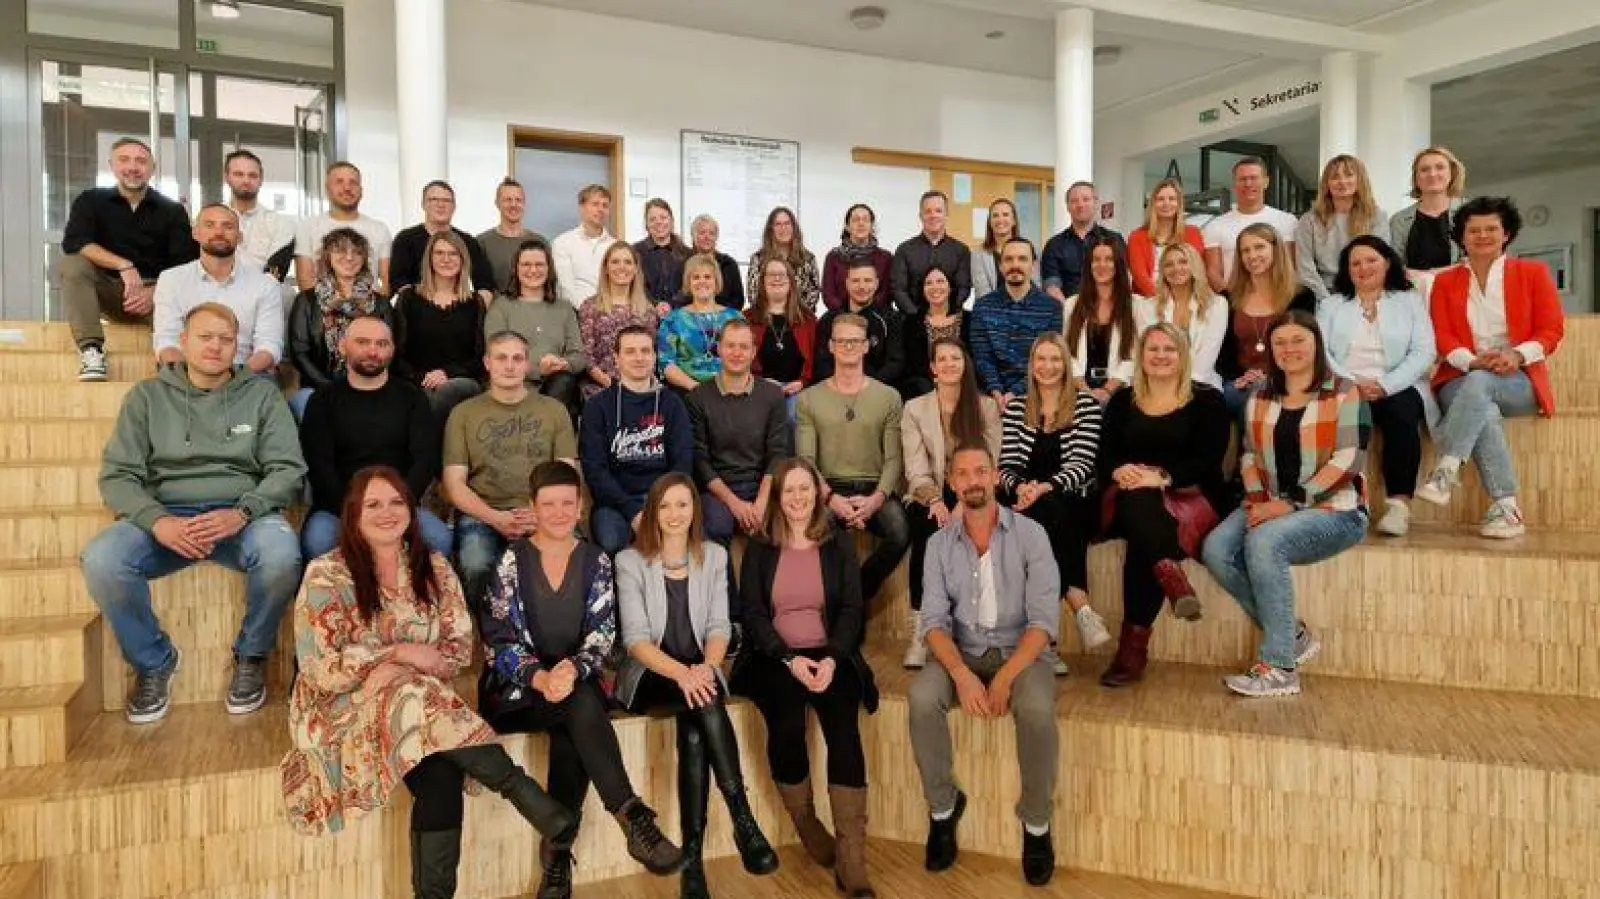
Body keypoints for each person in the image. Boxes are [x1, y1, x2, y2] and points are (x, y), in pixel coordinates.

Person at [280, 466, 577, 897]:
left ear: (411, 510)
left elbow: (458, 650)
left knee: (439, 772)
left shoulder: (432, 567)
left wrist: (398, 672)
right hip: (340, 707)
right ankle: (521, 792)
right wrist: (398, 654)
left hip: (421, 711)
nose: (387, 512)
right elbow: (319, 668)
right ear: (353, 514)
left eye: (397, 502)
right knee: (413, 691)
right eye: (373, 504)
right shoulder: (327, 574)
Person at [83, 303, 304, 723]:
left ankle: (251, 654)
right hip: (167, 517)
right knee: (102, 559)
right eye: (205, 337)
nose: (216, 347)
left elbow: (287, 470)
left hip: (242, 518)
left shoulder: (261, 395)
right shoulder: (147, 397)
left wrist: (243, 512)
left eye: (226, 339)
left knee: (280, 554)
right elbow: (118, 477)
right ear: (182, 341)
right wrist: (157, 520)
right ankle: (154, 661)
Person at [476, 461, 684, 897]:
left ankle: (558, 855)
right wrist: (539, 676)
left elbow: (603, 634)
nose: (558, 512)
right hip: (519, 693)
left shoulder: (595, 560)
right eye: (548, 504)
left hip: (572, 684)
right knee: (581, 709)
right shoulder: (511, 561)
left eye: (567, 503)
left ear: (581, 505)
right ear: (532, 507)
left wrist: (572, 669)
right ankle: (632, 816)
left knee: (577, 714)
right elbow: (497, 641)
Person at [615, 475, 781, 898]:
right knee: (703, 703)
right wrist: (685, 675)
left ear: (695, 511)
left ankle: (692, 860)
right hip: (652, 675)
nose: (674, 514)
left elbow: (719, 626)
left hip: (700, 671)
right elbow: (635, 642)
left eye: (683, 505)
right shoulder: (630, 562)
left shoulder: (714, 556)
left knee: (694, 727)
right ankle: (742, 819)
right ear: (653, 512)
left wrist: (706, 668)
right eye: (666, 506)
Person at [909, 444, 1061, 886]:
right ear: (952, 483)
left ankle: (1036, 824)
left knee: (1034, 710)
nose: (973, 480)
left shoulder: (1031, 535)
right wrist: (961, 675)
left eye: (980, 471)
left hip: (1022, 650)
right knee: (920, 698)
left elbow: (1043, 623)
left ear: (994, 476)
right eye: (962, 474)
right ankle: (942, 808)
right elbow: (933, 623)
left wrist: (1005, 680)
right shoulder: (938, 544)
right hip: (963, 648)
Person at [1202, 310, 1369, 697]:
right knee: (1216, 549)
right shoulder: (1260, 395)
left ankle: (1280, 667)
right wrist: (1261, 501)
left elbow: (1348, 461)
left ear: (1316, 344)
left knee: (1263, 542)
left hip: (1336, 509)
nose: (1289, 349)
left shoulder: (1344, 391)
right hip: (1270, 501)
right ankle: (1292, 635)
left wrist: (1290, 504)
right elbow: (1248, 455)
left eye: (1298, 340)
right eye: (1280, 342)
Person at [733, 458, 879, 898]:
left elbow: (852, 610)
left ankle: (852, 859)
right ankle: (807, 824)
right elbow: (753, 613)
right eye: (788, 491)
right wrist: (788, 659)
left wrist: (833, 658)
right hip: (773, 657)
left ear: (817, 494)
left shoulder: (837, 545)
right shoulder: (760, 546)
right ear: (777, 498)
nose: (797, 498)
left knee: (843, 730)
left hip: (830, 654)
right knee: (788, 722)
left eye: (804, 490)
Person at [1417, 196, 1565, 539]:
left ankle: (1447, 466)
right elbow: (1441, 334)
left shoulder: (1532, 273)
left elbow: (1551, 328)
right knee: (1482, 402)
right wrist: (1471, 360)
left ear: (1506, 233)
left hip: (1519, 380)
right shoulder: (1445, 282)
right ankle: (1506, 506)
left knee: (1481, 387)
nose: (1482, 236)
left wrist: (1518, 355)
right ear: (1462, 237)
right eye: (1473, 230)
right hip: (1462, 376)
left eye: (1491, 229)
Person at [1096, 324, 1229, 687]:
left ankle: (1131, 651)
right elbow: (1105, 454)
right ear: (1141, 356)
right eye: (1152, 349)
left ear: (1183, 355)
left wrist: (1163, 476)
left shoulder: (1207, 401)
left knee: (1144, 542)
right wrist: (1120, 469)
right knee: (1139, 503)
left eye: (1169, 349)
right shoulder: (1123, 400)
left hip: (1185, 496)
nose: (1160, 356)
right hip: (1128, 495)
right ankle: (1170, 576)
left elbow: (1208, 459)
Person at [999, 333, 1111, 665]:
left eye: (1055, 360)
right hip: (1028, 502)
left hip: (1075, 500)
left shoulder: (1086, 404)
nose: (1047, 367)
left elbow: (1082, 464)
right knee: (1037, 519)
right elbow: (1006, 466)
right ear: (1031, 365)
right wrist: (1021, 487)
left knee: (1046, 514)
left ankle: (1043, 642)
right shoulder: (1018, 407)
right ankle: (1079, 605)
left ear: (1065, 365)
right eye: (1041, 359)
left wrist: (1041, 488)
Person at [443, 331, 577, 606]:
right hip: (482, 512)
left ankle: (549, 634)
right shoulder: (464, 413)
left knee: (569, 559)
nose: (509, 365)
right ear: (487, 363)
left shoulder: (553, 410)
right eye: (501, 357)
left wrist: (541, 514)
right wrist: (495, 518)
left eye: (517, 358)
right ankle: (483, 636)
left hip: (543, 511)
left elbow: (565, 476)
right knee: (476, 564)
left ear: (528, 365)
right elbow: (454, 484)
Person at [299, 316, 449, 560]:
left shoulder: (411, 398)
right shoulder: (322, 401)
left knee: (439, 539)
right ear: (342, 346)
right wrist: (356, 511)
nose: (372, 351)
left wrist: (395, 508)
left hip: (399, 504)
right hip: (339, 509)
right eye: (363, 342)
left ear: (392, 350)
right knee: (319, 542)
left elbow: (424, 460)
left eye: (381, 344)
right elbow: (319, 466)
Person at [1319, 235, 1435, 537]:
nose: (1363, 267)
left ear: (1387, 263)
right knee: (1341, 414)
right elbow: (1321, 352)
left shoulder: (1409, 301)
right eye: (1355, 263)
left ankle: (1398, 505)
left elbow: (1424, 351)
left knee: (1401, 413)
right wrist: (1352, 382)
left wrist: (1385, 385)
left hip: (1396, 383)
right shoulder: (1331, 305)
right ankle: (1344, 492)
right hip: (1345, 382)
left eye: (1371, 260)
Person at [900, 339, 1002, 669]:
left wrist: (962, 501)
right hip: (929, 490)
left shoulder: (984, 407)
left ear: (964, 363)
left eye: (955, 358)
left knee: (977, 527)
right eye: (941, 359)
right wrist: (934, 500)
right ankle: (922, 629)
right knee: (924, 530)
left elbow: (990, 463)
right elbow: (915, 469)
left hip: (974, 489)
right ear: (932, 368)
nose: (948, 364)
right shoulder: (915, 409)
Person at [61, 137, 197, 381]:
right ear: (112, 165)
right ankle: (92, 350)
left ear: (152, 169)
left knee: (186, 301)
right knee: (73, 263)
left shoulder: (173, 211)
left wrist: (154, 291)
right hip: (110, 292)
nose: (133, 167)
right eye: (124, 160)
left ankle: (172, 374)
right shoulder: (91, 200)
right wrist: (123, 264)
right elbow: (75, 242)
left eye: (141, 161)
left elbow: (185, 264)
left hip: (157, 297)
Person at [797, 314, 910, 608]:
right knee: (818, 538)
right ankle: (842, 607)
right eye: (842, 341)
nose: (848, 346)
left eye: (855, 341)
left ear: (866, 346)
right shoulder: (809, 400)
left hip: (875, 487)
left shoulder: (889, 397)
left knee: (900, 532)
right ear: (831, 346)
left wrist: (876, 499)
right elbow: (806, 460)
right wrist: (831, 498)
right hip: (828, 489)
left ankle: (857, 594)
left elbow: (894, 458)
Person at [580, 326, 694, 555]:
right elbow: (595, 471)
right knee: (611, 541)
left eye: (645, 351)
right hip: (615, 501)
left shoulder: (672, 403)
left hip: (665, 498)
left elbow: (682, 463)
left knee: (694, 537)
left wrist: (661, 508)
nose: (639, 358)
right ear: (616, 358)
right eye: (630, 351)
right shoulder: (597, 406)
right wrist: (632, 511)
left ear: (654, 356)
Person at [687, 319, 792, 548]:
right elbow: (700, 461)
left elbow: (777, 453)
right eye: (730, 345)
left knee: (775, 522)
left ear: (754, 352)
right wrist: (734, 503)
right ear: (718, 349)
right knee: (717, 525)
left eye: (744, 347)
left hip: (762, 484)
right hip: (716, 489)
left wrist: (761, 502)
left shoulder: (773, 395)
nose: (736, 353)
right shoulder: (697, 397)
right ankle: (726, 586)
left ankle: (764, 584)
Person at [151, 203, 283, 376]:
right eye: (209, 225)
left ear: (240, 237)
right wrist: (194, 379)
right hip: (186, 376)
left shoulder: (265, 284)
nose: (219, 232)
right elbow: (167, 341)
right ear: (195, 233)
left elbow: (269, 346)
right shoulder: (171, 280)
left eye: (228, 226)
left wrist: (235, 377)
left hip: (245, 375)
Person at [287, 227, 394, 419]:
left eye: (357, 252)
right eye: (341, 250)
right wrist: (331, 388)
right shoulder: (306, 301)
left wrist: (362, 385)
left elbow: (390, 349)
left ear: (364, 259)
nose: (349, 257)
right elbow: (299, 352)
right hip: (318, 386)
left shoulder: (380, 303)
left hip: (371, 385)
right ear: (327, 256)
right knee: (308, 408)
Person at [1215, 223, 1317, 413]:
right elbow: (1223, 353)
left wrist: (1271, 377)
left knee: (1263, 395)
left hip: (1288, 377)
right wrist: (1243, 377)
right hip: (1240, 380)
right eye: (1245, 250)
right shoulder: (1227, 298)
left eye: (1259, 247)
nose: (1252, 256)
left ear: (1276, 249)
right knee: (1233, 396)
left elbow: (1305, 348)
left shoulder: (1301, 297)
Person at [391, 230, 487, 431]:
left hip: (462, 382)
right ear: (429, 258)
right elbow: (397, 353)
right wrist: (422, 377)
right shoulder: (408, 298)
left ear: (463, 260)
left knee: (445, 392)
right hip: (416, 380)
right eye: (439, 253)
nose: (446, 259)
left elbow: (480, 357)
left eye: (453, 254)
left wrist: (446, 374)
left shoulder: (474, 303)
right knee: (423, 396)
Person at [483, 240, 587, 424]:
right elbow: (496, 356)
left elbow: (578, 356)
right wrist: (539, 369)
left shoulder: (563, 308)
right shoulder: (501, 307)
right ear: (516, 269)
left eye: (539, 264)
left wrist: (561, 363)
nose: (533, 270)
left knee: (563, 381)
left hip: (557, 388)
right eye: (526, 264)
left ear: (549, 269)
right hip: (513, 387)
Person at [970, 237, 1061, 408]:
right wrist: (996, 392)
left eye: (1022, 259)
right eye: (1009, 259)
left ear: (1034, 266)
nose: (1015, 265)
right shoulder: (982, 307)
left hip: (1039, 391)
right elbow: (983, 358)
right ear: (1000, 265)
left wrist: (1016, 393)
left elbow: (1049, 360)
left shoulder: (1052, 308)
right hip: (991, 396)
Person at [1295, 155, 1388, 306]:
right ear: (1327, 184)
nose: (1342, 182)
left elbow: (1378, 262)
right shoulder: (1309, 220)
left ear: (1360, 180)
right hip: (1322, 295)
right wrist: (1328, 301)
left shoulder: (1376, 217)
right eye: (1335, 177)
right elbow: (1305, 268)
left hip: (1365, 294)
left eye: (1349, 175)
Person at [1134, 243, 1228, 389]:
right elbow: (1149, 354)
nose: (1176, 269)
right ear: (1163, 271)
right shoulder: (1147, 307)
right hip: (1156, 383)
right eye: (1169, 264)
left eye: (1183, 262)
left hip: (1200, 384)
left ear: (1195, 266)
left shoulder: (1217, 305)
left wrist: (1180, 389)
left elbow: (1206, 357)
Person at [294, 161, 393, 293]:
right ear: (327, 189)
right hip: (320, 310)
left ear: (361, 191)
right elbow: (305, 281)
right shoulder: (307, 227)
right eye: (339, 182)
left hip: (369, 309)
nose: (347, 188)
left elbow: (388, 281)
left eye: (353, 182)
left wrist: (378, 310)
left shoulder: (380, 229)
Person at [1202, 157, 1299, 292]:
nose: (1248, 184)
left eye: (1254, 178)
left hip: (1278, 300)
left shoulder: (1287, 221)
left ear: (1266, 182)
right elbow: (1213, 272)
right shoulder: (1215, 226)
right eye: (1242, 179)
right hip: (1234, 301)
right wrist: (1232, 301)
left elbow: (1291, 267)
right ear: (1234, 184)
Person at [388, 181, 496, 300]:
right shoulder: (405, 239)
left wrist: (476, 309)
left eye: (446, 200)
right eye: (434, 199)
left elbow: (485, 283)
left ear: (454, 206)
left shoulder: (467, 241)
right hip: (417, 309)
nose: (440, 205)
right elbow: (399, 281)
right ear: (423, 204)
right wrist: (418, 306)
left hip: (458, 309)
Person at [578, 241, 660, 398]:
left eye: (628, 262)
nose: (622, 267)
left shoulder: (647, 310)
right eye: (615, 262)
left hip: (641, 384)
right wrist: (609, 382)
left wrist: (638, 384)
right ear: (606, 268)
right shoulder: (590, 307)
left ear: (635, 269)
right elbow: (586, 355)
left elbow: (651, 353)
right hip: (602, 385)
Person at [1062, 235, 1138, 402]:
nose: (1102, 265)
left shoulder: (1137, 306)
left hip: (1121, 392)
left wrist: (1107, 390)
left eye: (1109, 259)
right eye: (1096, 260)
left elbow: (1134, 355)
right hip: (1079, 392)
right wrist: (1084, 389)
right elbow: (1067, 352)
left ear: (1118, 264)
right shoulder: (1071, 305)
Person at [657, 255, 745, 391]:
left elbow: (745, 356)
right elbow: (665, 362)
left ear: (716, 281)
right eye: (696, 277)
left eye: (707, 277)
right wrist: (695, 387)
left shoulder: (735, 317)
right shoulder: (673, 320)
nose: (702, 281)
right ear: (688, 282)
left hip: (730, 391)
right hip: (687, 392)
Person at [813, 259, 904, 387]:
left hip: (875, 390)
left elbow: (895, 363)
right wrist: (840, 386)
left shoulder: (891, 319)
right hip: (836, 391)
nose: (862, 286)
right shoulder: (828, 320)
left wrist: (867, 387)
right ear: (847, 283)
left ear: (876, 283)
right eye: (855, 281)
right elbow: (821, 364)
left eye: (867, 280)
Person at [745, 256, 817, 414]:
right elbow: (741, 358)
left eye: (782, 274)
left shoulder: (808, 320)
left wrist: (802, 382)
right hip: (758, 387)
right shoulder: (747, 318)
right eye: (771, 274)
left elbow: (816, 359)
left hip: (798, 388)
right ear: (762, 282)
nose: (776, 278)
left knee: (792, 419)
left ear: (791, 281)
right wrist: (759, 382)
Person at [1390, 147, 1467, 283]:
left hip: (1458, 292)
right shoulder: (1399, 220)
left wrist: (1432, 275)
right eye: (1424, 169)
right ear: (1416, 177)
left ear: (1452, 173)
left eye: (1440, 167)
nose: (1432, 174)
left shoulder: (1468, 213)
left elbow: (1475, 260)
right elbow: (1393, 265)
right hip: (1413, 295)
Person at [1042, 181, 1125, 304]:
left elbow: (1123, 278)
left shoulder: (1114, 240)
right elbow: (1052, 286)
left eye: (1086, 199)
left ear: (1096, 203)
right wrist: (1071, 312)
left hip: (1110, 310)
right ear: (1068, 206)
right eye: (1074, 201)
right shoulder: (1054, 245)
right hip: (1068, 312)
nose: (1080, 205)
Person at [890, 190, 972, 316]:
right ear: (920, 215)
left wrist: (946, 315)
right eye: (928, 211)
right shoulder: (904, 250)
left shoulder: (961, 250)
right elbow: (898, 290)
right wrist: (917, 318)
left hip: (951, 320)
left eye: (938, 211)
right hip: (912, 322)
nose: (933, 215)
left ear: (946, 214)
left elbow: (964, 288)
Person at [1126, 178, 1205, 298]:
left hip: (1186, 299)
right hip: (1148, 301)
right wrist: (1162, 301)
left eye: (1172, 199)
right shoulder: (1137, 236)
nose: (1166, 203)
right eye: (1160, 199)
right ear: (1153, 204)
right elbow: (1139, 275)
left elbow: (1196, 269)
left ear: (1179, 204)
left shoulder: (1193, 233)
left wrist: (1180, 300)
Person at [223, 149, 295, 278]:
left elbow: (275, 275)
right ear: (226, 177)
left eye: (252, 175)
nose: (246, 180)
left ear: (261, 179)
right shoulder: (209, 222)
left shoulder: (280, 224)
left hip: (266, 296)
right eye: (238, 174)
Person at [899, 267, 968, 399]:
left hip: (963, 383)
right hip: (925, 388)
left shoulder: (968, 320)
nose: (934, 287)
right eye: (928, 283)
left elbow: (972, 359)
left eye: (940, 281)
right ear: (922, 290)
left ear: (950, 287)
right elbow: (913, 366)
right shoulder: (912, 323)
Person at [552, 184, 619, 306]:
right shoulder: (562, 243)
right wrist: (589, 311)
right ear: (582, 207)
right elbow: (566, 288)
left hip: (610, 313)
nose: (600, 209)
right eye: (595, 204)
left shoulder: (615, 246)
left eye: (605, 205)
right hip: (574, 313)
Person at [746, 206, 822, 311]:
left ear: (794, 228)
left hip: (800, 319)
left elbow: (814, 292)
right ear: (771, 229)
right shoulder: (758, 259)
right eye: (778, 224)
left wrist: (792, 314)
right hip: (766, 318)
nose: (783, 228)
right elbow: (753, 294)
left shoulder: (808, 259)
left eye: (787, 223)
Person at [477, 177, 545, 289]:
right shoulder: (481, 243)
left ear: (524, 203)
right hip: (495, 306)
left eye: (518, 200)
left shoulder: (540, 242)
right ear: (497, 203)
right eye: (508, 200)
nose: (513, 205)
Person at [823, 203, 893, 312]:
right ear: (847, 227)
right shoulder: (833, 257)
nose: (861, 223)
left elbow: (887, 292)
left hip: (878, 316)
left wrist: (866, 313)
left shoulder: (886, 257)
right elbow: (828, 295)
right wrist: (848, 314)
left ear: (871, 226)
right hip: (842, 317)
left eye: (865, 220)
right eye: (856, 220)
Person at [634, 197, 693, 312]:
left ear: (671, 221)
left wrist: (670, 305)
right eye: (652, 219)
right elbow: (635, 284)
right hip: (645, 312)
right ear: (646, 225)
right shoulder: (635, 252)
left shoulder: (688, 254)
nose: (658, 222)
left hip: (680, 314)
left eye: (663, 217)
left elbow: (689, 286)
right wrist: (655, 304)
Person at [972, 198, 1037, 301]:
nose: (1000, 219)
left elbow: (1036, 286)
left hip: (1026, 311)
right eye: (995, 215)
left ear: (1014, 220)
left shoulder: (1029, 249)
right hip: (992, 311)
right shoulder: (978, 254)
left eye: (1005, 214)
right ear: (990, 222)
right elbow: (983, 294)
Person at [688, 214, 745, 309]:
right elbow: (681, 296)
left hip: (724, 320)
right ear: (694, 236)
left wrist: (719, 315)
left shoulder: (729, 264)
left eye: (711, 233)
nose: (707, 237)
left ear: (716, 237)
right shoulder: (685, 263)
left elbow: (738, 300)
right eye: (702, 233)